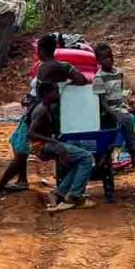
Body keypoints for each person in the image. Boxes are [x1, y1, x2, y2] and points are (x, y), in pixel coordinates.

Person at [0, 34, 89, 197]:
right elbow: (81, 80)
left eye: (38, 49)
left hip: (37, 111)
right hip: (42, 109)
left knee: (20, 145)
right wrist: (66, 85)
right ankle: (22, 180)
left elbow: (41, 91)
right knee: (18, 144)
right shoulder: (61, 66)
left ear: (43, 50)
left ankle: (1, 185)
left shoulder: (46, 67)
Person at [27, 81, 95, 212]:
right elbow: (31, 133)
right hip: (44, 146)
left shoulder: (45, 106)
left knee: (78, 162)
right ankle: (74, 197)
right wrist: (54, 142)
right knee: (86, 157)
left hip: (45, 145)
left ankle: (60, 193)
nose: (58, 94)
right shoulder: (41, 111)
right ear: (46, 94)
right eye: (55, 92)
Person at [92, 43, 135, 181]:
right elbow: (101, 102)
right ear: (99, 61)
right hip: (107, 111)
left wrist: (128, 104)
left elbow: (119, 93)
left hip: (120, 107)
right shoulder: (98, 78)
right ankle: (132, 159)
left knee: (131, 122)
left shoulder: (119, 73)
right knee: (121, 126)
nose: (109, 60)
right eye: (105, 58)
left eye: (110, 57)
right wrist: (114, 114)